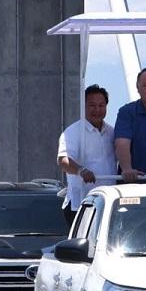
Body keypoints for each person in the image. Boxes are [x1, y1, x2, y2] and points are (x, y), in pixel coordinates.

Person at [57, 84, 117, 226]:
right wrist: (81, 171)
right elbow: (63, 160)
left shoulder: (112, 132)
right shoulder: (73, 132)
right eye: (92, 105)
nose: (97, 110)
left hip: (108, 203)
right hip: (82, 205)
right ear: (83, 106)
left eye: (101, 105)